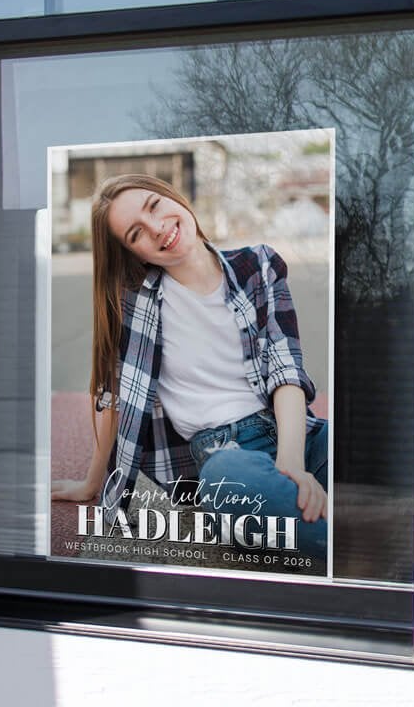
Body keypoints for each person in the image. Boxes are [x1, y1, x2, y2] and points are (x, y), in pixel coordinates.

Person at [52, 174, 328, 559]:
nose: (158, 228)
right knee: (228, 483)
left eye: (154, 206)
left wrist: (292, 464)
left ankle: (307, 515)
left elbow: (286, 370)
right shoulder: (132, 306)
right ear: (136, 255)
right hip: (222, 454)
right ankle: (341, 538)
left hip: (294, 433)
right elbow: (115, 397)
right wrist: (92, 483)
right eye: (137, 234)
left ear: (172, 196)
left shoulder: (259, 265)